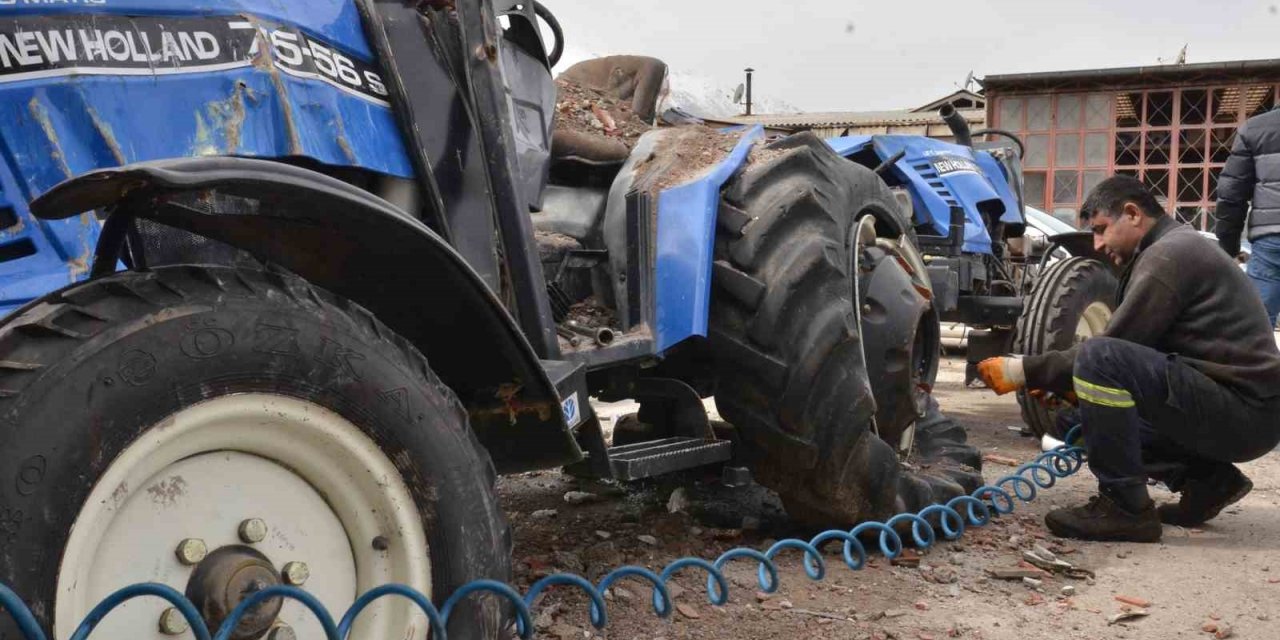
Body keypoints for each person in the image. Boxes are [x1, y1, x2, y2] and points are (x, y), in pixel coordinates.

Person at [977, 176, 1280, 542]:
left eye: (1101, 229)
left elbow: (1113, 349)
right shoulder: (1169, 250)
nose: (1097, 244)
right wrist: (1073, 388)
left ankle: (1125, 508)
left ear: (1133, 214)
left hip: (1246, 411)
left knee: (1099, 356)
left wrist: (1021, 369)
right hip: (1235, 410)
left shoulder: (1170, 255)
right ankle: (1209, 482)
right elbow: (1145, 356)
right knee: (1075, 421)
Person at [1213, 105, 1280, 327]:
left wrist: (1229, 246)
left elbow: (1232, 194)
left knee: (1257, 324)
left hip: (1271, 239)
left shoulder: (1255, 128)